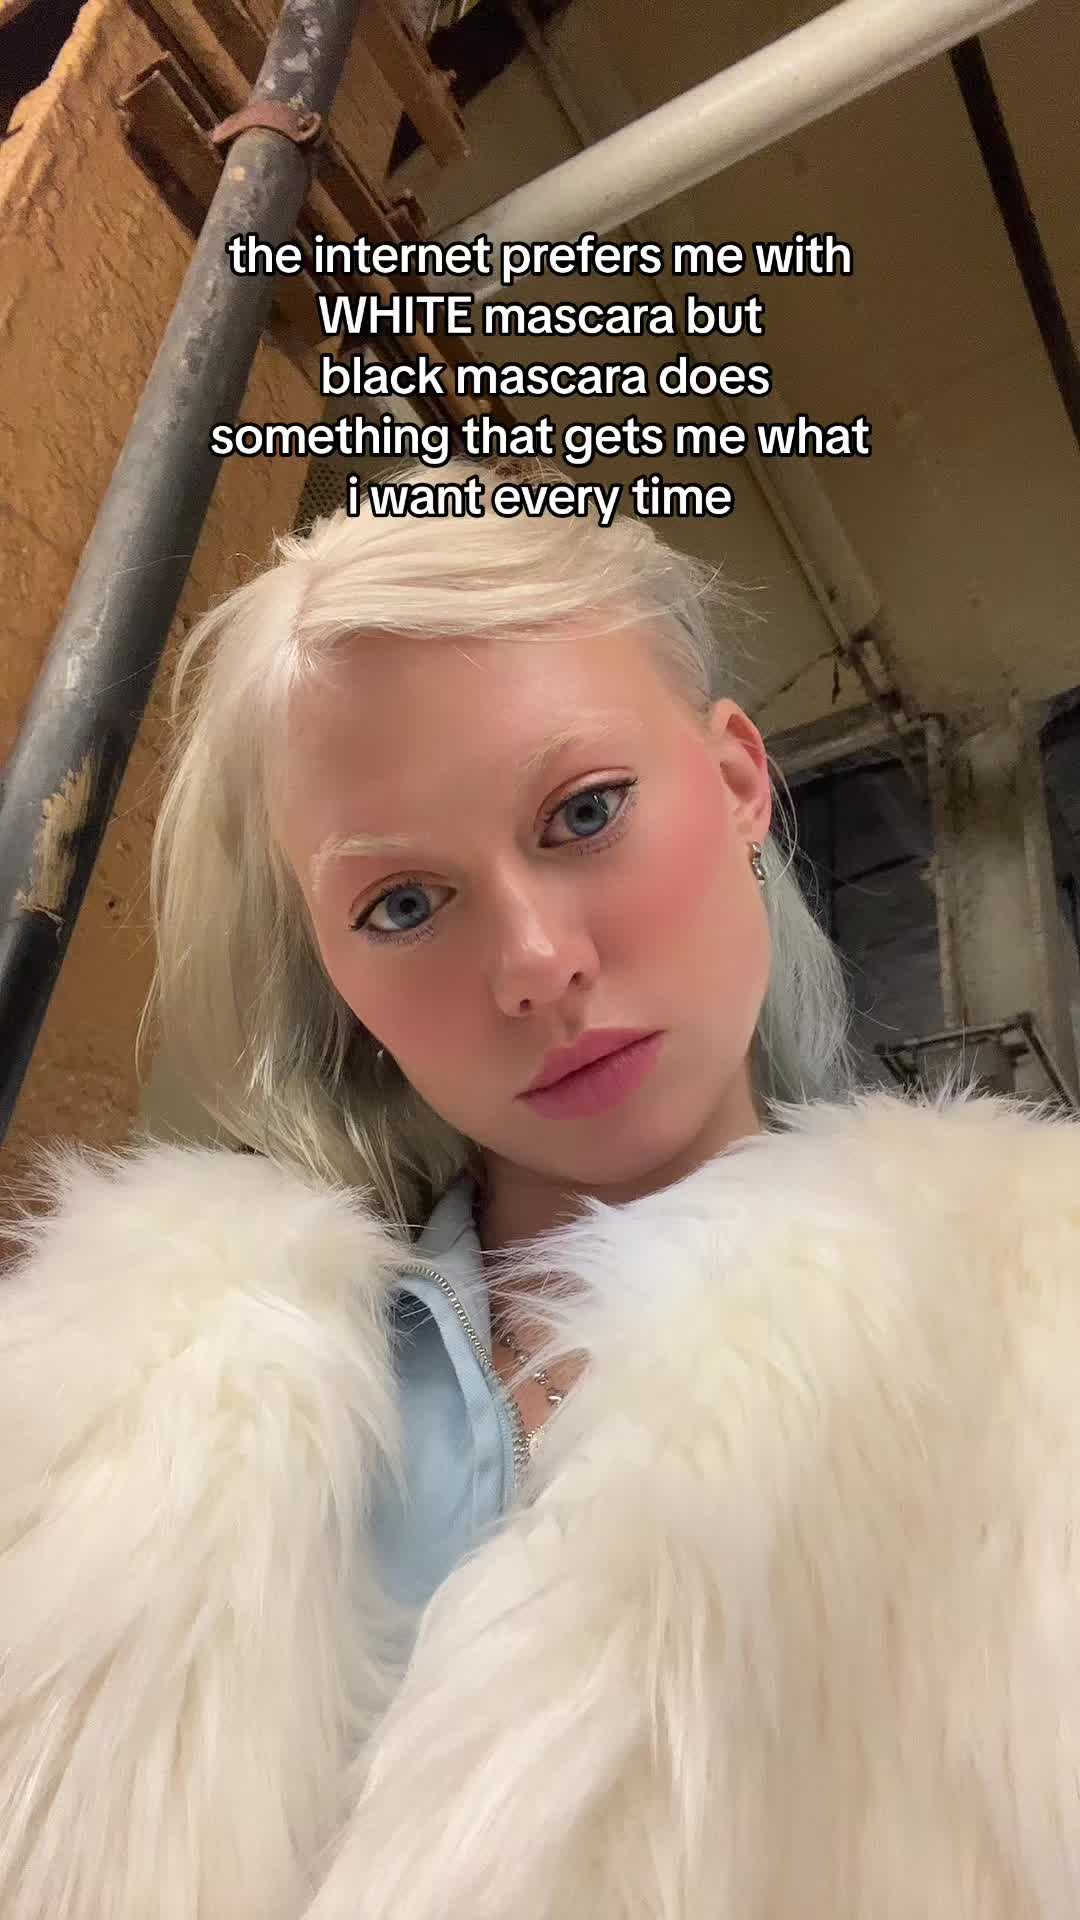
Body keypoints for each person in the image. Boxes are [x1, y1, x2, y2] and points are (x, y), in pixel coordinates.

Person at [2, 457, 1080, 1920]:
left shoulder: (1034, 1340)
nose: (535, 965)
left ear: (738, 781)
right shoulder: (103, 1415)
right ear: (337, 974)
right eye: (401, 903)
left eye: (584, 813)